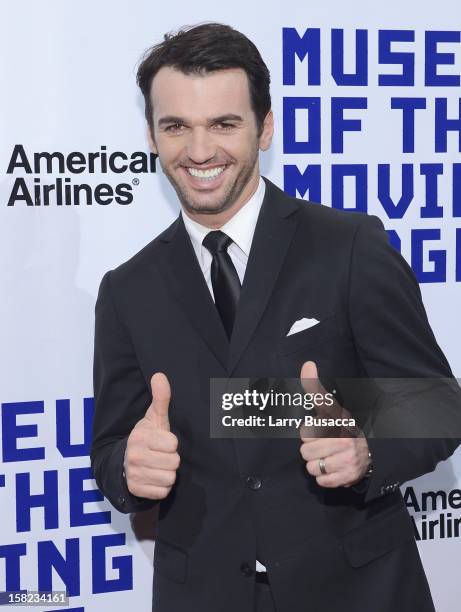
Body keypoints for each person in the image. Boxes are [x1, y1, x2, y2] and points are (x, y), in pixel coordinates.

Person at [91, 22, 461, 612]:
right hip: (204, 596)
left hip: (356, 590)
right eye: (176, 126)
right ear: (152, 136)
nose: (200, 150)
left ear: (265, 128)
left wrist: (366, 448)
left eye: (224, 123)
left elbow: (438, 403)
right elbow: (112, 446)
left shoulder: (349, 246)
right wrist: (129, 471)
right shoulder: (126, 289)